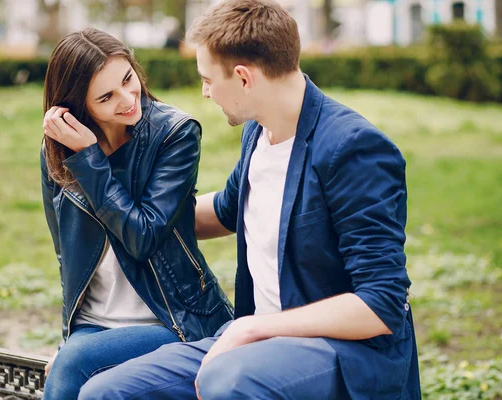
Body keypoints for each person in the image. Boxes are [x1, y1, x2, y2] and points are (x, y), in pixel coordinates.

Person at [78, 0, 421, 398]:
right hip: (254, 344)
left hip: (343, 354)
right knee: (106, 393)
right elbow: (222, 211)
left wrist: (253, 327)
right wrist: (127, 209)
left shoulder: (352, 148)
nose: (205, 93)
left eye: (208, 79)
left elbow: (380, 305)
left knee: (228, 380)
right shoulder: (258, 133)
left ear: (243, 78)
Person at [40, 28, 233, 400]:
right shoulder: (57, 150)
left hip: (171, 319)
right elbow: (66, 252)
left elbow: (142, 237)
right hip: (94, 327)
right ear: (78, 107)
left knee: (75, 363)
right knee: (75, 362)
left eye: (128, 79)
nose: (129, 99)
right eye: (106, 96)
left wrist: (90, 160)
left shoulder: (173, 134)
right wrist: (68, 338)